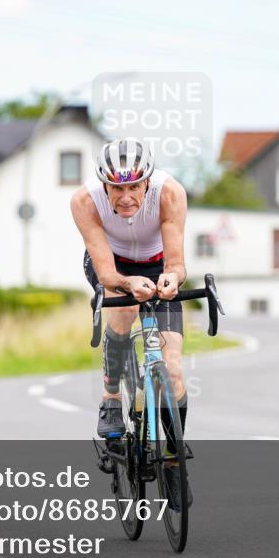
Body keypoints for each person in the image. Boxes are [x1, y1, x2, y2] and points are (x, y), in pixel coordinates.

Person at [70, 137, 191, 508]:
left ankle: (172, 459)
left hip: (157, 264)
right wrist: (125, 282)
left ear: (147, 183)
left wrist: (171, 279)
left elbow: (176, 262)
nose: (125, 197)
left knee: (172, 368)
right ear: (104, 185)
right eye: (116, 188)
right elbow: (106, 272)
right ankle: (110, 398)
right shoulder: (84, 201)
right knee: (123, 312)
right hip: (115, 265)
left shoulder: (169, 192)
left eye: (134, 186)